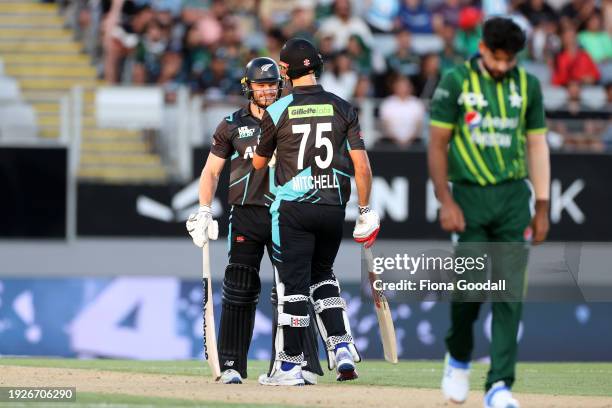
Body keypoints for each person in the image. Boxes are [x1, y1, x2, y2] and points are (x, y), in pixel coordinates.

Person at [428, 17, 550, 408]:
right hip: (469, 198)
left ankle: (499, 385)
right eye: (497, 58)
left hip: (514, 197)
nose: (502, 66)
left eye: (509, 59)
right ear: (482, 48)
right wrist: (444, 200)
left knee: (510, 294)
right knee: (469, 291)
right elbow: (436, 144)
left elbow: (536, 146)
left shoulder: (528, 85)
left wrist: (543, 204)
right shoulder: (455, 81)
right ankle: (458, 357)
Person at [186, 57, 323, 385]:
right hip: (246, 213)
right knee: (239, 289)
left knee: (291, 291)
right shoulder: (232, 124)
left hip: (288, 212)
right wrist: (204, 209)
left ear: (280, 84)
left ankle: (298, 364)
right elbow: (211, 172)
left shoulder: (295, 117)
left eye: (271, 83)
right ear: (248, 87)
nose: (266, 90)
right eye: (260, 84)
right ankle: (231, 364)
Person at [253, 38, 379, 386]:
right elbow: (362, 167)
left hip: (293, 207)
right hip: (333, 206)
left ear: (288, 70)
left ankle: (291, 366)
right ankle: (340, 347)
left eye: (281, 67)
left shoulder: (277, 110)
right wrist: (366, 210)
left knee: (294, 285)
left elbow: (259, 163)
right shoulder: (342, 107)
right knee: (323, 274)